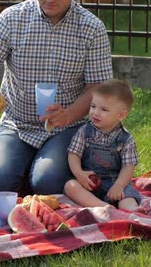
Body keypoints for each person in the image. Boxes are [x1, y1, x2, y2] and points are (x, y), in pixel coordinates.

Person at [0, 0, 113, 195]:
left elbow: (97, 88)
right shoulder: (11, 19)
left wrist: (68, 115)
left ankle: (43, 170)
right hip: (16, 124)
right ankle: (30, 168)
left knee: (46, 184)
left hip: (68, 127)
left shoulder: (91, 28)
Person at [63, 79, 142, 211]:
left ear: (121, 115)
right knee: (70, 186)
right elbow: (73, 154)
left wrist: (119, 185)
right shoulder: (84, 131)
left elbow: (128, 167)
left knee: (127, 196)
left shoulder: (125, 139)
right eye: (93, 106)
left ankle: (132, 211)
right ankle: (104, 207)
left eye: (104, 109)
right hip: (88, 182)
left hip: (114, 183)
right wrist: (79, 174)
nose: (95, 112)